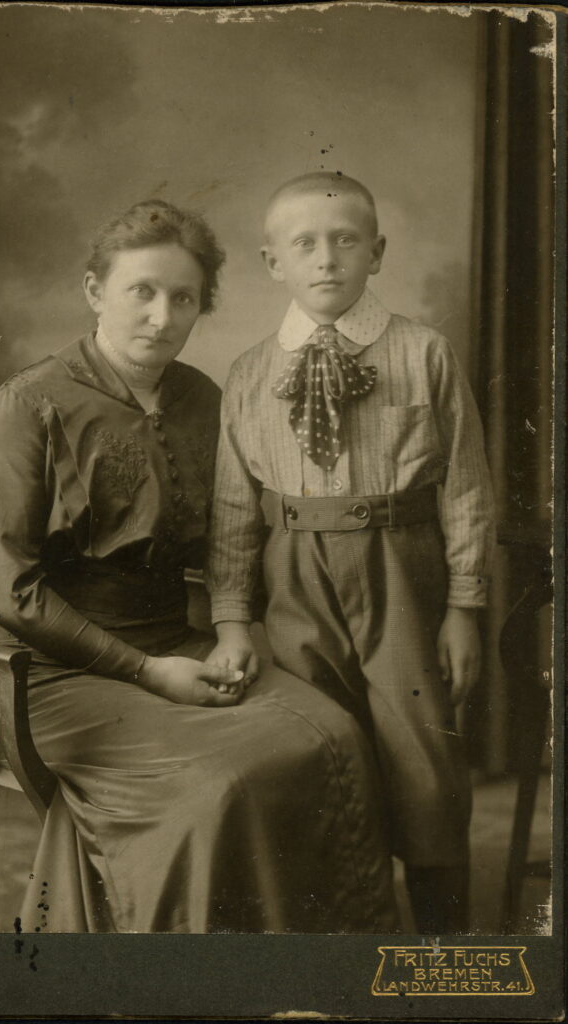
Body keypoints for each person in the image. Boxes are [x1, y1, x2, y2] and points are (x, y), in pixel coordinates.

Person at [0, 198, 399, 934]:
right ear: (96, 292)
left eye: (183, 297)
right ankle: (185, 979)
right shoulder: (21, 409)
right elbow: (9, 592)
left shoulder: (201, 398)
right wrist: (144, 671)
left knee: (335, 734)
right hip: (34, 673)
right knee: (216, 785)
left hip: (175, 643)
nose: (162, 316)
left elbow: (229, 536)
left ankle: (313, 964)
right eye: (141, 291)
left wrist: (234, 629)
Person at [206, 173, 496, 934]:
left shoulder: (423, 352)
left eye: (345, 240)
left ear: (377, 251)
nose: (326, 259)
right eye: (303, 244)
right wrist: (233, 615)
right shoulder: (247, 375)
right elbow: (236, 511)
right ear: (273, 262)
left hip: (400, 566)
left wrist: (465, 605)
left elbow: (464, 487)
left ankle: (440, 946)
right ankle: (342, 927)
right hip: (294, 572)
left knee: (421, 751)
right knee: (319, 749)